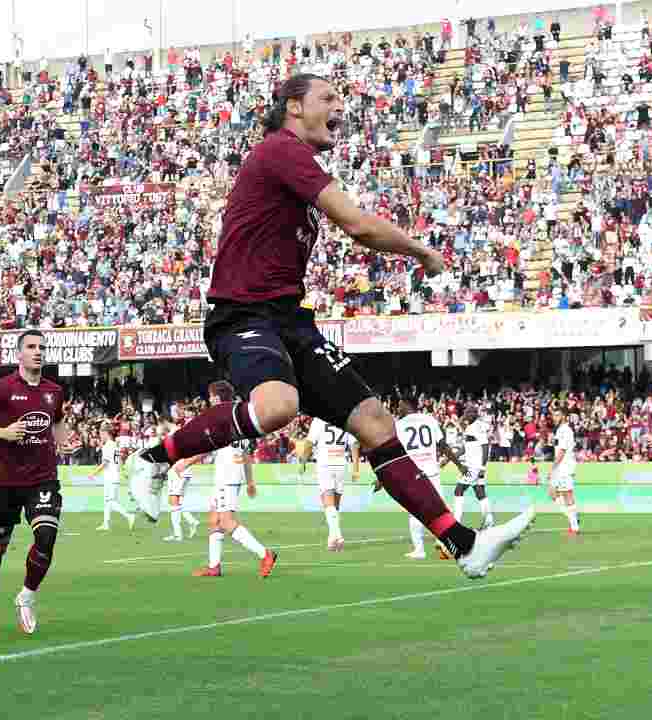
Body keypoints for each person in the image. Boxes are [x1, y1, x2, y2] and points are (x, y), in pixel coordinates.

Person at [126, 73, 533, 579]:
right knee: (278, 405)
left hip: (290, 321)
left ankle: (464, 545)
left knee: (377, 425)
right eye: (329, 98)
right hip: (243, 313)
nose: (340, 105)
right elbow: (358, 223)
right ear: (294, 107)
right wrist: (421, 251)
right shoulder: (280, 150)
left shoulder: (295, 166)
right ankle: (153, 458)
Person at [0, 330, 70, 638]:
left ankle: (27, 595)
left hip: (43, 478)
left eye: (41, 347)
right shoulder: (1, 388)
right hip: (7, 482)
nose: (38, 351)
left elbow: (58, 420)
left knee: (47, 537)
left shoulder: (54, 391)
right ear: (19, 353)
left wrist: (62, 443)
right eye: (31, 347)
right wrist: (3, 433)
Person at [187, 381, 276, 577]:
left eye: (210, 396)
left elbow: (208, 446)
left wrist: (185, 463)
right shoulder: (238, 416)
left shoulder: (220, 417)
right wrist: (250, 480)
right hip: (231, 474)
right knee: (214, 519)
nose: (209, 399)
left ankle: (265, 554)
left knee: (226, 521)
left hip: (227, 475)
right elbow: (245, 454)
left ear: (217, 397)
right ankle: (214, 566)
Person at [394, 399, 464, 559]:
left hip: (413, 474)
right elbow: (443, 445)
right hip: (432, 472)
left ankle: (419, 550)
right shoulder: (429, 420)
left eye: (399, 405)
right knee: (440, 510)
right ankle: (449, 542)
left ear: (407, 405)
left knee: (414, 512)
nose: (398, 409)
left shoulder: (400, 424)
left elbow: (396, 453)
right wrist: (458, 464)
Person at [302, 414, 359, 551]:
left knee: (328, 502)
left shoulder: (319, 419)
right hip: (341, 463)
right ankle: (332, 539)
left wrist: (303, 461)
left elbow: (309, 442)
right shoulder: (346, 417)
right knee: (335, 505)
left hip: (325, 463)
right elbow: (354, 443)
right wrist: (356, 468)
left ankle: (337, 535)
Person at [452, 408, 495, 529]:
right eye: (466, 412)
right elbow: (465, 448)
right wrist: (450, 458)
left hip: (474, 467)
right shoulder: (471, 427)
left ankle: (456, 522)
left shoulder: (476, 427)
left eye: (470, 413)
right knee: (480, 492)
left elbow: (485, 446)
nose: (467, 415)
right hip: (474, 466)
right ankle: (489, 521)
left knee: (458, 490)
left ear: (475, 414)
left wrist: (482, 466)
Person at [90, 424, 135, 531]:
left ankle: (129, 515)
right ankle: (106, 524)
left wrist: (93, 473)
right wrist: (120, 471)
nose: (100, 436)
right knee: (107, 501)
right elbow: (119, 462)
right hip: (114, 476)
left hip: (110, 477)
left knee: (110, 501)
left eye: (101, 433)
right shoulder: (115, 445)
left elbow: (105, 463)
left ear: (106, 433)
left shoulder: (107, 446)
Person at [550, 411, 581, 535]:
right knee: (552, 493)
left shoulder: (565, 430)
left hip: (565, 467)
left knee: (567, 494)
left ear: (563, 416)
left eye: (557, 415)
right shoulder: (559, 430)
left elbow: (562, 451)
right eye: (554, 415)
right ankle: (573, 515)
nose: (554, 417)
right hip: (561, 466)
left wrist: (553, 467)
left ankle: (574, 526)